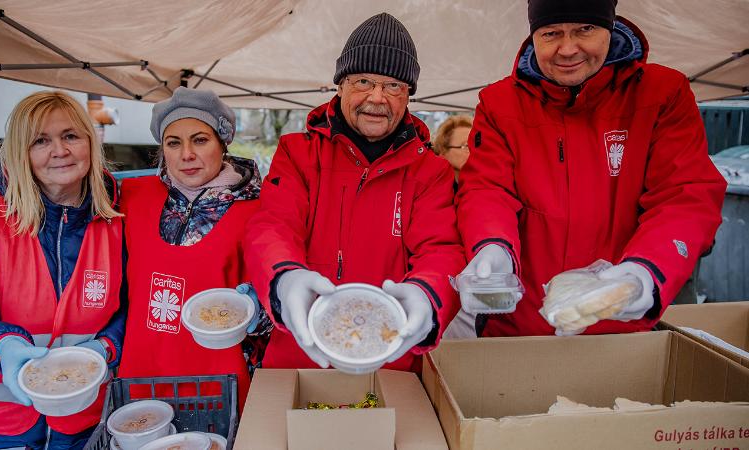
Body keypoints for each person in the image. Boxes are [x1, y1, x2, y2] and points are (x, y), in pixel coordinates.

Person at [456, 0, 726, 337]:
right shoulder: (500, 103)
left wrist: (645, 273)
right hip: (518, 324)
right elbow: (486, 189)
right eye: (551, 33)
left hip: (620, 326)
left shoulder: (662, 93)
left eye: (585, 29)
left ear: (609, 28)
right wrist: (491, 245)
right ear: (533, 35)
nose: (567, 49)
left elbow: (685, 194)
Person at [245, 13, 464, 372]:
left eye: (393, 85)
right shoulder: (299, 153)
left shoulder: (431, 171)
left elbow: (441, 250)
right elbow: (273, 225)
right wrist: (284, 278)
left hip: (391, 356)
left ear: (408, 94)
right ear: (341, 85)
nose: (377, 98)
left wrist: (428, 294)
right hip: (302, 347)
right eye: (363, 81)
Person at [0, 91, 125, 449]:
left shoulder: (116, 218)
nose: (59, 150)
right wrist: (3, 346)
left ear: (90, 145)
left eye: (70, 136)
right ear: (21, 152)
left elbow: (130, 304)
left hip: (78, 427)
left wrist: (106, 346)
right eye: (40, 141)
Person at [117, 87, 265, 411]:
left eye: (199, 140)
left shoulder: (258, 210)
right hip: (142, 376)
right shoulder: (130, 197)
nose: (186, 154)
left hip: (218, 383)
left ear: (222, 145)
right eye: (173, 142)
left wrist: (260, 309)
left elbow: (275, 299)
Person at [432, 115, 473, 183]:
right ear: (443, 152)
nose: (475, 151)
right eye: (466, 146)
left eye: (476, 145)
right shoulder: (431, 188)